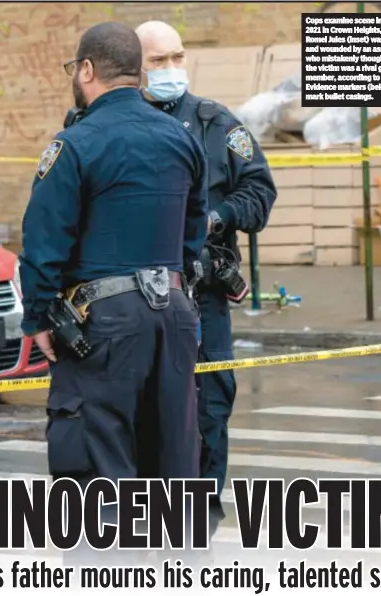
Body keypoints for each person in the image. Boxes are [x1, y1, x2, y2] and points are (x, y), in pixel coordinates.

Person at [19, 21, 208, 565]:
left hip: (102, 321)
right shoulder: (181, 138)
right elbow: (193, 234)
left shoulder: (75, 143)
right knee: (173, 454)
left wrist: (37, 317)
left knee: (96, 461)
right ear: (140, 71)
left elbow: (45, 238)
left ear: (86, 70)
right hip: (173, 312)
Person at [135, 21, 278, 538]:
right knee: (144, 405)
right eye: (159, 61)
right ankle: (148, 510)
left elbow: (260, 192)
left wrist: (214, 219)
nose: (172, 69)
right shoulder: (106, 123)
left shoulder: (216, 122)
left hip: (203, 295)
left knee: (211, 403)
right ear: (134, 67)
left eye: (177, 57)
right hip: (135, 299)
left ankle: (201, 509)